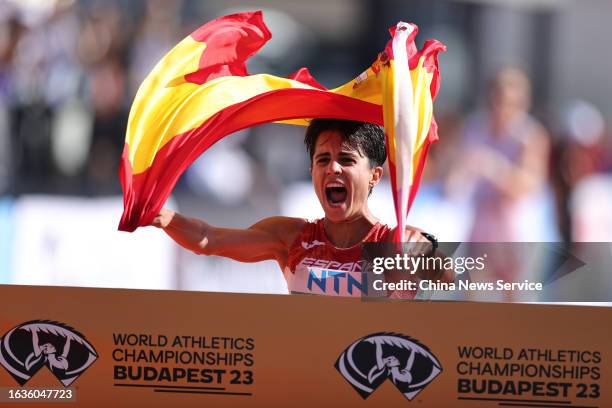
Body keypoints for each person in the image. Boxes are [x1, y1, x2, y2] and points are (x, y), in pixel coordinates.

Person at [152, 119, 448, 297]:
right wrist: (163, 217)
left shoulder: (395, 243)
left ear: (375, 175)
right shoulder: (291, 236)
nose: (332, 168)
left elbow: (459, 283)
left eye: (346, 160)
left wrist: (433, 258)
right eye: (323, 160)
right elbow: (208, 239)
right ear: (311, 172)